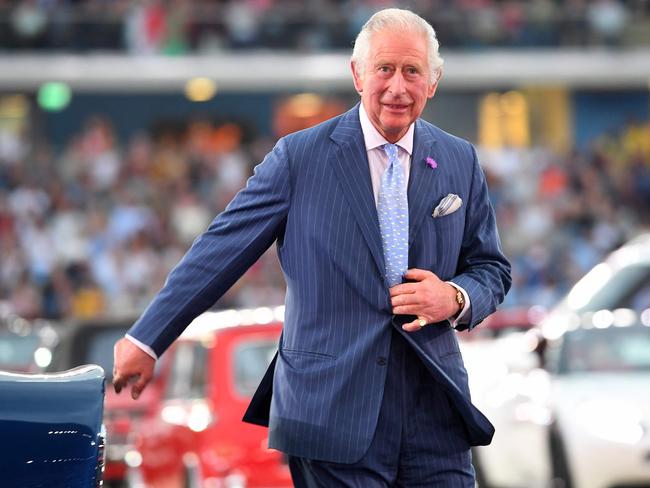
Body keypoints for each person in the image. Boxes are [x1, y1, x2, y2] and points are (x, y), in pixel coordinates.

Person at [113, 8, 511, 487]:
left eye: (413, 71)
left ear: (434, 81)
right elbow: (218, 252)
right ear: (357, 74)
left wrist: (455, 297)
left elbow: (490, 268)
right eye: (384, 69)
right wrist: (147, 338)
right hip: (330, 411)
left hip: (434, 414)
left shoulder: (458, 159)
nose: (398, 87)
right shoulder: (299, 158)